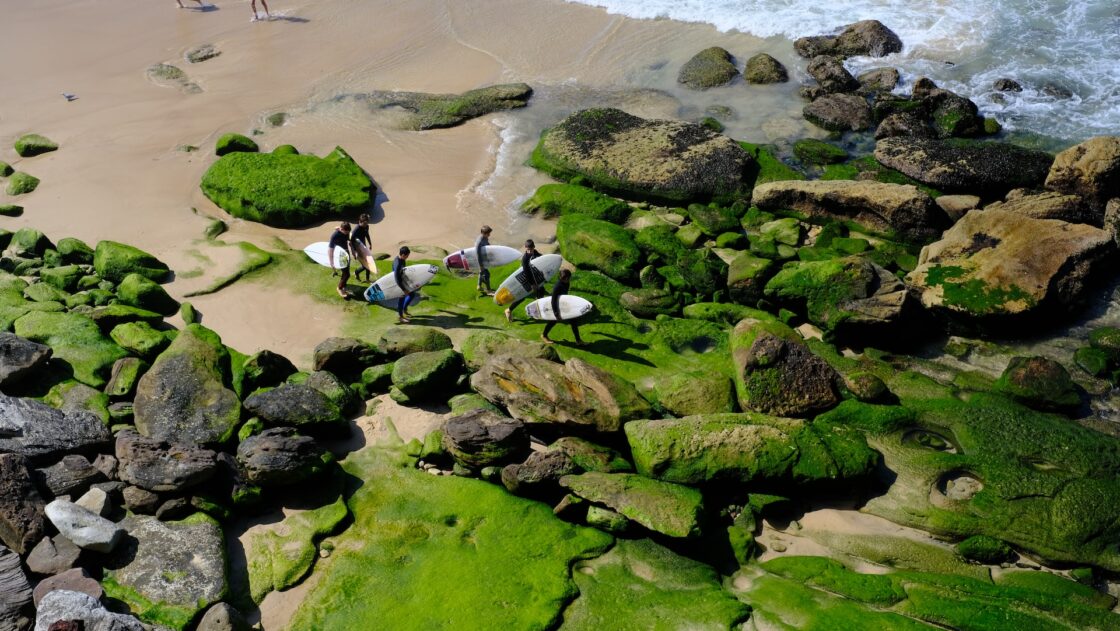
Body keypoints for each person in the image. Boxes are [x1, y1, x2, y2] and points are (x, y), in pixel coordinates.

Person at [541, 269, 584, 345]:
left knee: (573, 321)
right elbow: (553, 300)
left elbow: (564, 296)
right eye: (565, 278)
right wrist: (556, 313)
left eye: (568, 278)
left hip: (563, 304)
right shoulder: (557, 286)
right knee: (552, 321)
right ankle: (544, 335)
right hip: (555, 306)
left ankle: (578, 340)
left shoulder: (567, 283)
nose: (567, 279)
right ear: (561, 278)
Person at [504, 239, 543, 322]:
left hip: (536, 278)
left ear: (534, 247)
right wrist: (532, 284)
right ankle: (509, 310)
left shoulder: (535, 252)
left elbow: (541, 259)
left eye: (531, 249)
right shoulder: (525, 259)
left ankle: (535, 312)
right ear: (525, 248)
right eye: (528, 249)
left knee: (540, 293)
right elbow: (527, 272)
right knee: (522, 297)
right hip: (527, 280)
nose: (530, 251)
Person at [393, 246, 418, 323]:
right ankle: (400, 317)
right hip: (398, 283)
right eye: (407, 256)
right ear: (403, 255)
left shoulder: (402, 260)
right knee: (401, 298)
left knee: (412, 295)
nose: (407, 257)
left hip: (403, 281)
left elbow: (404, 271)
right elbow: (396, 278)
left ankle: (404, 309)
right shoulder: (397, 263)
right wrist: (403, 289)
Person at [327, 222, 351, 299]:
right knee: (347, 274)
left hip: (346, 253)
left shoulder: (346, 232)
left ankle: (343, 285)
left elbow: (348, 238)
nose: (347, 234)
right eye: (346, 232)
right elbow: (330, 250)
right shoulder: (334, 236)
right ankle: (339, 288)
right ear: (342, 229)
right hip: (340, 255)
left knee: (346, 272)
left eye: (348, 232)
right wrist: (331, 262)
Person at [350, 213, 375, 283]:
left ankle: (367, 279)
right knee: (366, 265)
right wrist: (354, 252)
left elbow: (367, 234)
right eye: (364, 224)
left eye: (367, 223)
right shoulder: (356, 230)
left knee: (368, 263)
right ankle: (356, 272)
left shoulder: (366, 226)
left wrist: (370, 243)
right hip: (357, 249)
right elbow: (350, 242)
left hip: (364, 247)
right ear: (359, 222)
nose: (365, 225)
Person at [475, 225, 493, 295]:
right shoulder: (479, 242)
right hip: (480, 260)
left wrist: (491, 248)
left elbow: (487, 244)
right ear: (483, 233)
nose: (489, 235)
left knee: (482, 273)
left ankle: (479, 286)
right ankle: (489, 290)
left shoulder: (484, 238)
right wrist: (481, 265)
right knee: (487, 274)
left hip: (484, 259)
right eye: (488, 233)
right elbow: (478, 254)